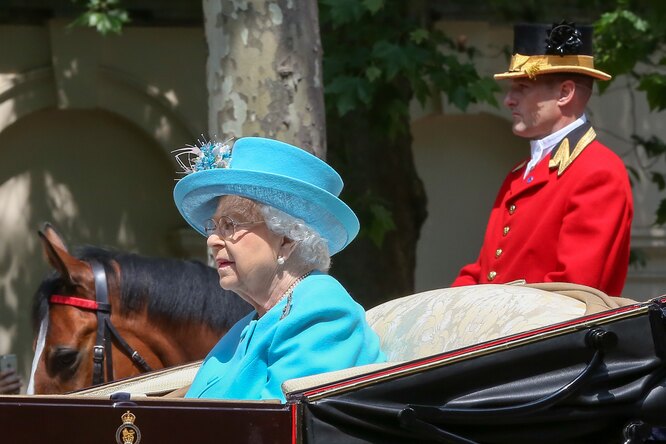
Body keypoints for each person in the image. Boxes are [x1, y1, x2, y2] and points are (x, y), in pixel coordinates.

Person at [173, 136, 386, 401]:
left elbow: (279, 426)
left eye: (230, 224)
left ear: (286, 239)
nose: (213, 240)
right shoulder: (247, 326)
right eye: (214, 227)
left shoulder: (322, 310)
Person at [452, 21, 633, 296]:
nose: (508, 100)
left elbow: (573, 291)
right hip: (508, 334)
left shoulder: (598, 170)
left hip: (554, 338)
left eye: (522, 87)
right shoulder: (520, 173)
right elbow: (483, 273)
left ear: (565, 93)